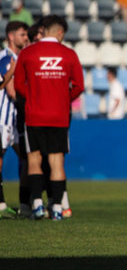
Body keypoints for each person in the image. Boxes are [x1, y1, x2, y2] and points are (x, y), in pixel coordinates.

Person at [14, 15, 85, 220]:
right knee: (57, 161)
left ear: (44, 30)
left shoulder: (28, 53)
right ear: (60, 32)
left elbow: (19, 85)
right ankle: (56, 207)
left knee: (33, 159)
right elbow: (79, 86)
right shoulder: (69, 54)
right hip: (58, 116)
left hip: (34, 114)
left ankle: (36, 204)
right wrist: (62, 98)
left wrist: (34, 98)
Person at [0, 21, 29, 219]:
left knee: (28, 159)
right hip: (4, 118)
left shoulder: (19, 57)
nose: (25, 37)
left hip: (16, 118)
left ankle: (26, 203)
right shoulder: (6, 58)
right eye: (22, 34)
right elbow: (10, 90)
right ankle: (2, 205)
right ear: (11, 36)